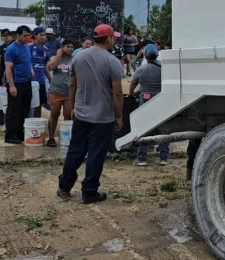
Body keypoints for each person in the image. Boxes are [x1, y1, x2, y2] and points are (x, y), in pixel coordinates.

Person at [58, 24, 124, 203]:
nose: (114, 41)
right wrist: (119, 116)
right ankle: (89, 192)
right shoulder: (112, 61)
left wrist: (73, 106)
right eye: (113, 38)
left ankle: (64, 187)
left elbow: (72, 84)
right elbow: (117, 93)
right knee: (96, 155)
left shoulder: (79, 57)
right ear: (108, 38)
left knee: (75, 151)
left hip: (81, 114)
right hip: (103, 117)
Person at [129, 44, 169, 166]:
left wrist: (130, 93)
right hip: (160, 99)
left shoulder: (141, 69)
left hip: (145, 100)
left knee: (142, 128)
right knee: (162, 127)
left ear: (145, 56)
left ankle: (141, 158)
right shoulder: (164, 68)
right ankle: (164, 157)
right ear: (157, 54)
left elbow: (133, 84)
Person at [4, 25, 34, 144]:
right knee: (14, 110)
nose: (27, 38)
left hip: (27, 81)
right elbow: (8, 68)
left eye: (29, 35)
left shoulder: (26, 46)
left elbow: (28, 60)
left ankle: (20, 133)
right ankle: (10, 135)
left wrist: (31, 69)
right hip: (16, 83)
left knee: (24, 109)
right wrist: (11, 86)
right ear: (18, 35)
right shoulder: (12, 49)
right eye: (25, 35)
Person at [46, 40, 74, 147]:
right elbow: (51, 67)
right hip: (56, 91)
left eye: (72, 47)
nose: (70, 49)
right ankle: (51, 137)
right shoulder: (54, 58)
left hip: (69, 93)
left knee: (68, 115)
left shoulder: (74, 59)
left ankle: (65, 137)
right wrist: (58, 55)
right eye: (68, 46)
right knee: (54, 115)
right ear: (62, 47)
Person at [30, 27, 51, 118]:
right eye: (41, 35)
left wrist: (50, 78)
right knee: (29, 103)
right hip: (30, 80)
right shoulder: (29, 47)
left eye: (44, 35)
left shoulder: (45, 49)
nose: (43, 37)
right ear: (35, 36)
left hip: (41, 80)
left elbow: (45, 65)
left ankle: (36, 122)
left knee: (39, 103)